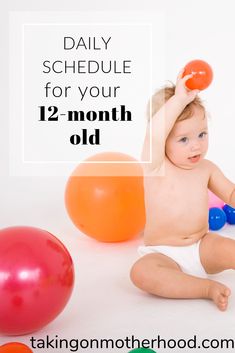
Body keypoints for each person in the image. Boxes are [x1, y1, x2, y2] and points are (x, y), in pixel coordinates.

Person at [130, 70, 235, 311]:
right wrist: (179, 100)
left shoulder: (206, 168)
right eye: (183, 139)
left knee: (229, 248)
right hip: (164, 253)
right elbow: (154, 134)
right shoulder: (156, 166)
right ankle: (204, 288)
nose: (196, 145)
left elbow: (230, 194)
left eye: (202, 134)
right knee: (141, 273)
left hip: (202, 247)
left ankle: (203, 277)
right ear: (164, 140)